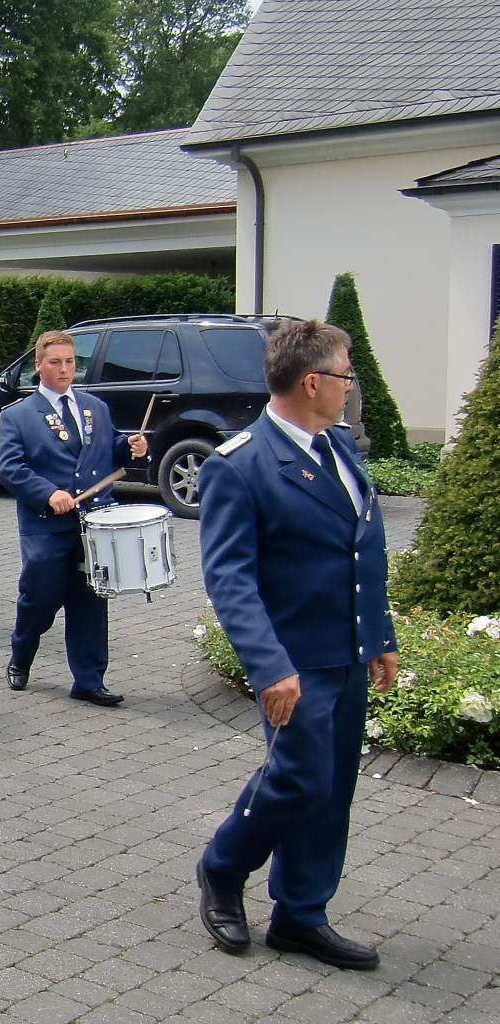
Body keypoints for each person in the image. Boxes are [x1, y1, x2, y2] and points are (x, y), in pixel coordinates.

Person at [195, 319, 396, 970]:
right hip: (293, 659)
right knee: (298, 778)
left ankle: (301, 914)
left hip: (346, 650)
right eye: (344, 374)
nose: (349, 386)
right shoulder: (240, 465)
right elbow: (229, 578)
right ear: (311, 382)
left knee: (331, 786)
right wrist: (268, 665)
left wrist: (379, 635)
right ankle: (222, 867)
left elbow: (362, 548)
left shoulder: (337, 447)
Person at [0, 330, 147, 707]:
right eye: (55, 362)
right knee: (40, 599)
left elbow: (109, 450)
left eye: (69, 362)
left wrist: (130, 448)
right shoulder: (17, 415)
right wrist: (48, 493)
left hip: (94, 523)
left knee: (90, 601)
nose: (64, 369)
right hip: (47, 526)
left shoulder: (95, 407)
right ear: (38, 366)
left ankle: (89, 680)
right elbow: (10, 468)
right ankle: (21, 654)